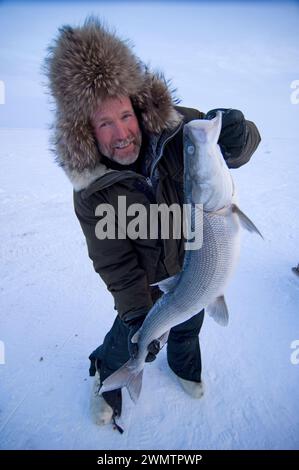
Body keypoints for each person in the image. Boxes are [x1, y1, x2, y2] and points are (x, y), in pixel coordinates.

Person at [45, 17, 261, 427]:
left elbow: (240, 147)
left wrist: (237, 134)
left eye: (124, 115)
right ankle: (110, 379)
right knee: (130, 338)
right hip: (147, 282)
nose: (121, 133)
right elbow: (114, 263)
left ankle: (183, 366)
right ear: (86, 130)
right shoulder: (92, 190)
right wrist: (135, 313)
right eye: (103, 123)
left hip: (194, 267)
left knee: (189, 325)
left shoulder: (181, 129)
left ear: (138, 106)